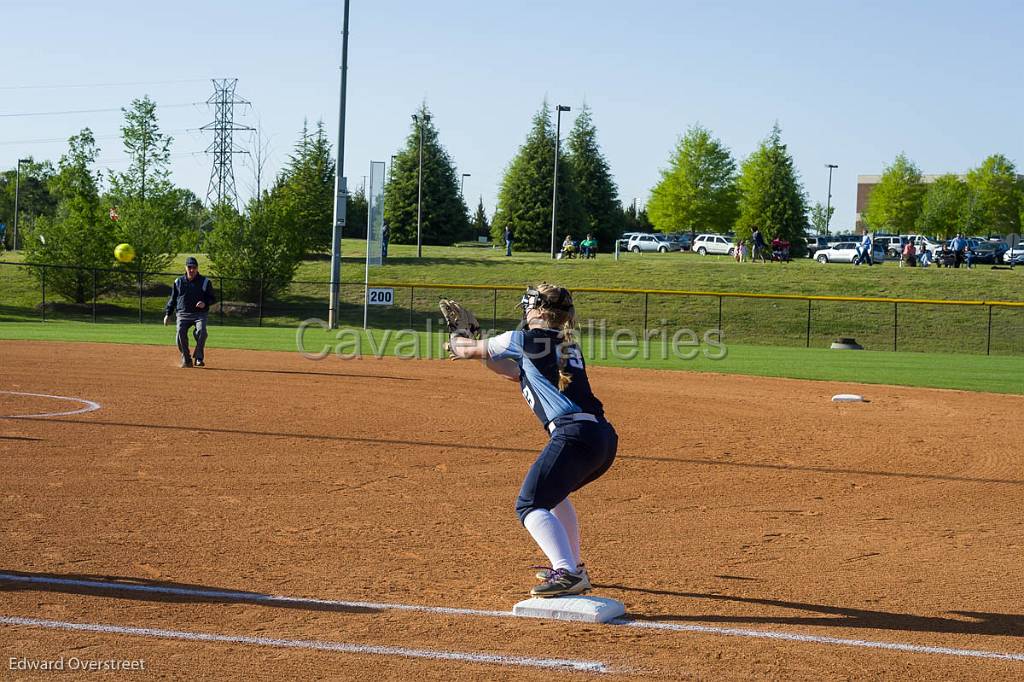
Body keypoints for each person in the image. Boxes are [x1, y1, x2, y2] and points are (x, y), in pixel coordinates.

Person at [448, 285, 618, 598]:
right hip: (601, 437)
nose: (525, 310)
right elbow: (513, 373)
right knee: (554, 494)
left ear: (538, 310)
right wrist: (477, 343)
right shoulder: (566, 344)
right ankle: (574, 566)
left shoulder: (522, 339)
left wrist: (460, 336)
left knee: (529, 504)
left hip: (574, 436)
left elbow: (466, 349)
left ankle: (566, 572)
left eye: (529, 305)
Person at [163, 257, 216, 368]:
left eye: (194, 267)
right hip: (183, 314)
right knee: (180, 335)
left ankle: (198, 357)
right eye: (189, 267)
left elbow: (212, 298)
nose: (191, 270)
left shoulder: (205, 282)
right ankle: (186, 359)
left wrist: (205, 303)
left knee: (202, 332)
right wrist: (168, 314)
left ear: (197, 269)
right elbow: (173, 299)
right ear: (185, 268)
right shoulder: (178, 282)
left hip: (199, 314)